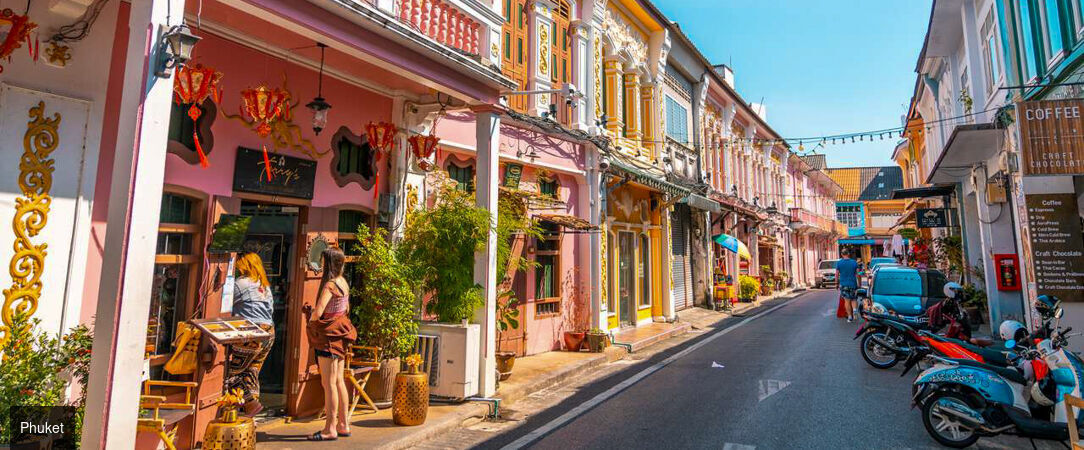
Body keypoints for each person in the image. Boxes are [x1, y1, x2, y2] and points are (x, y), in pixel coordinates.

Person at [305, 247, 357, 441]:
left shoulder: (330, 285)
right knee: (339, 381)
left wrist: (311, 319)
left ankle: (330, 429)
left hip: (328, 338)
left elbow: (318, 313)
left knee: (328, 384)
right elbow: (346, 308)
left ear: (327, 264)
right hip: (340, 336)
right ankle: (343, 424)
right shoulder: (343, 282)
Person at [226, 252, 276, 417]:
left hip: (250, 332)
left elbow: (225, 302)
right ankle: (251, 413)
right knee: (251, 371)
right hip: (268, 332)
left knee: (229, 372)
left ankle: (250, 403)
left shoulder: (241, 284)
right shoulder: (264, 286)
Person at [836, 249, 860, 323]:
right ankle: (855, 310)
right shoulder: (854, 262)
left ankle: (850, 317)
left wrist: (836, 283)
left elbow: (836, 274)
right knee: (854, 299)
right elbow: (858, 274)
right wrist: (859, 283)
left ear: (842, 254)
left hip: (844, 284)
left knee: (847, 300)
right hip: (853, 284)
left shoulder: (839, 263)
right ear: (848, 254)